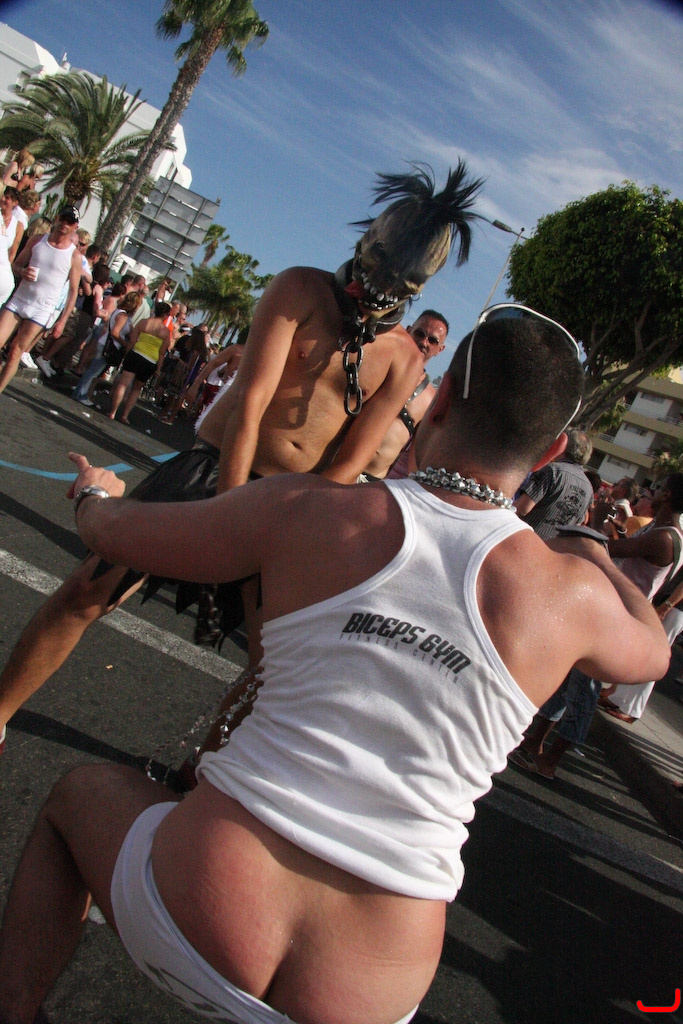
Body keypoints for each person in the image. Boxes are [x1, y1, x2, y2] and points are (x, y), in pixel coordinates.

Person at [0, 309, 669, 1024]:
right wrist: (594, 554)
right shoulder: (573, 597)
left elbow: (113, 533)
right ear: (551, 449)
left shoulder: (307, 510)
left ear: (440, 399)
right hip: (370, 988)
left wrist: (94, 491)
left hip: (197, 905)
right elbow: (653, 649)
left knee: (77, 799)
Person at [0, 163, 483, 750]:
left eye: (395, 279)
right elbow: (250, 404)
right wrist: (229, 516)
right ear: (365, 242)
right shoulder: (300, 288)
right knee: (88, 590)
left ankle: (200, 776)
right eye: (375, 261)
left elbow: (347, 466)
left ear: (416, 288)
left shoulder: (404, 360)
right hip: (214, 473)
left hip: (289, 510)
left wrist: (275, 531)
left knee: (270, 673)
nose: (373, 285)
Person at [0, 205, 81, 395]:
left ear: (75, 227)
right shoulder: (37, 240)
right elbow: (15, 265)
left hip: (42, 309)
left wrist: (62, 321)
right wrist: (22, 271)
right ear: (57, 218)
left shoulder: (74, 256)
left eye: (70, 222)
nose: (65, 224)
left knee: (15, 351)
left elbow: (73, 292)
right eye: (63, 219)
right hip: (20, 299)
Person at [362, 310, 448, 480]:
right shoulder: (377, 366)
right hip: (335, 462)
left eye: (432, 340)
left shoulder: (431, 400)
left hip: (370, 481)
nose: (424, 342)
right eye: (420, 333)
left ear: (440, 349)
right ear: (409, 330)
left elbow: (415, 459)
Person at [514, 428, 593, 537]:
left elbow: (522, 508)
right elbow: (577, 523)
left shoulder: (553, 471)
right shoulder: (589, 489)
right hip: (551, 545)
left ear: (563, 445)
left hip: (523, 537)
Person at [72, 290, 143, 406]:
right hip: (109, 346)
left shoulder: (119, 312)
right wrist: (124, 343)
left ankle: (79, 392)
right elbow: (115, 332)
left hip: (104, 343)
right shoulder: (123, 316)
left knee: (93, 371)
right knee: (93, 372)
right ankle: (81, 394)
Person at [107, 301, 171, 424]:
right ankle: (125, 415)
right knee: (136, 389)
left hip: (136, 354)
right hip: (150, 361)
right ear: (165, 315)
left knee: (123, 384)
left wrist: (127, 353)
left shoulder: (144, 322)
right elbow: (162, 353)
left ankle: (112, 412)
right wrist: (158, 369)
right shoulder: (165, 332)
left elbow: (132, 340)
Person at [0, 187, 20, 306]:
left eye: (7, 198)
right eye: (3, 196)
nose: (3, 199)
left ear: (15, 203)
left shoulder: (18, 225)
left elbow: (12, 253)